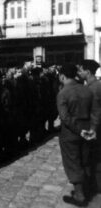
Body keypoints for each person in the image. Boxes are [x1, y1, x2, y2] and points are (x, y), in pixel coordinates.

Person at [57, 64, 93, 207]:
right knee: (85, 159)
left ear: (62, 76)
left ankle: (79, 195)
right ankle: (88, 189)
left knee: (72, 162)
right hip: (88, 130)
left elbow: (65, 117)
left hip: (70, 133)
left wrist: (78, 130)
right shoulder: (87, 90)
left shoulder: (63, 93)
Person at [77, 59, 101, 197]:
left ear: (88, 71)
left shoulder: (91, 89)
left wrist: (93, 129)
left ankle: (95, 186)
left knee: (92, 158)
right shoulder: (97, 85)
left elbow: (96, 111)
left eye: (81, 70)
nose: (79, 73)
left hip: (94, 128)